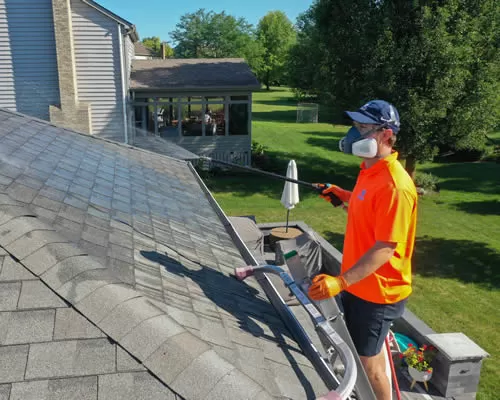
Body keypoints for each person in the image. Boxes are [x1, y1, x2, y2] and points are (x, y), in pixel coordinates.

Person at [308, 100, 418, 400]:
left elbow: (384, 248)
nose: (354, 133)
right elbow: (367, 215)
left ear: (386, 135)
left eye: (363, 128)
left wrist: (340, 282)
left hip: (377, 294)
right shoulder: (370, 170)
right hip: (361, 286)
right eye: (355, 126)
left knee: (369, 367)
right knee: (367, 355)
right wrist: (342, 196)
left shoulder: (395, 185)